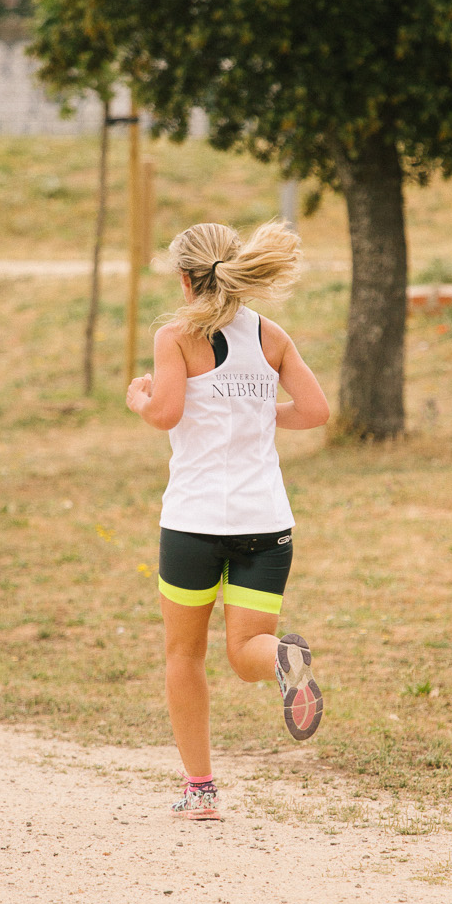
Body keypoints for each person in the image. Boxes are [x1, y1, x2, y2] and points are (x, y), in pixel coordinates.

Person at [125, 219, 331, 820]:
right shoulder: (271, 335)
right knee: (246, 653)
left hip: (194, 524)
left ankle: (201, 790)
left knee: (184, 655)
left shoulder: (175, 337)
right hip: (265, 523)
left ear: (186, 280)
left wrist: (139, 399)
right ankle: (283, 659)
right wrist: (256, 412)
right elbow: (315, 411)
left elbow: (166, 413)